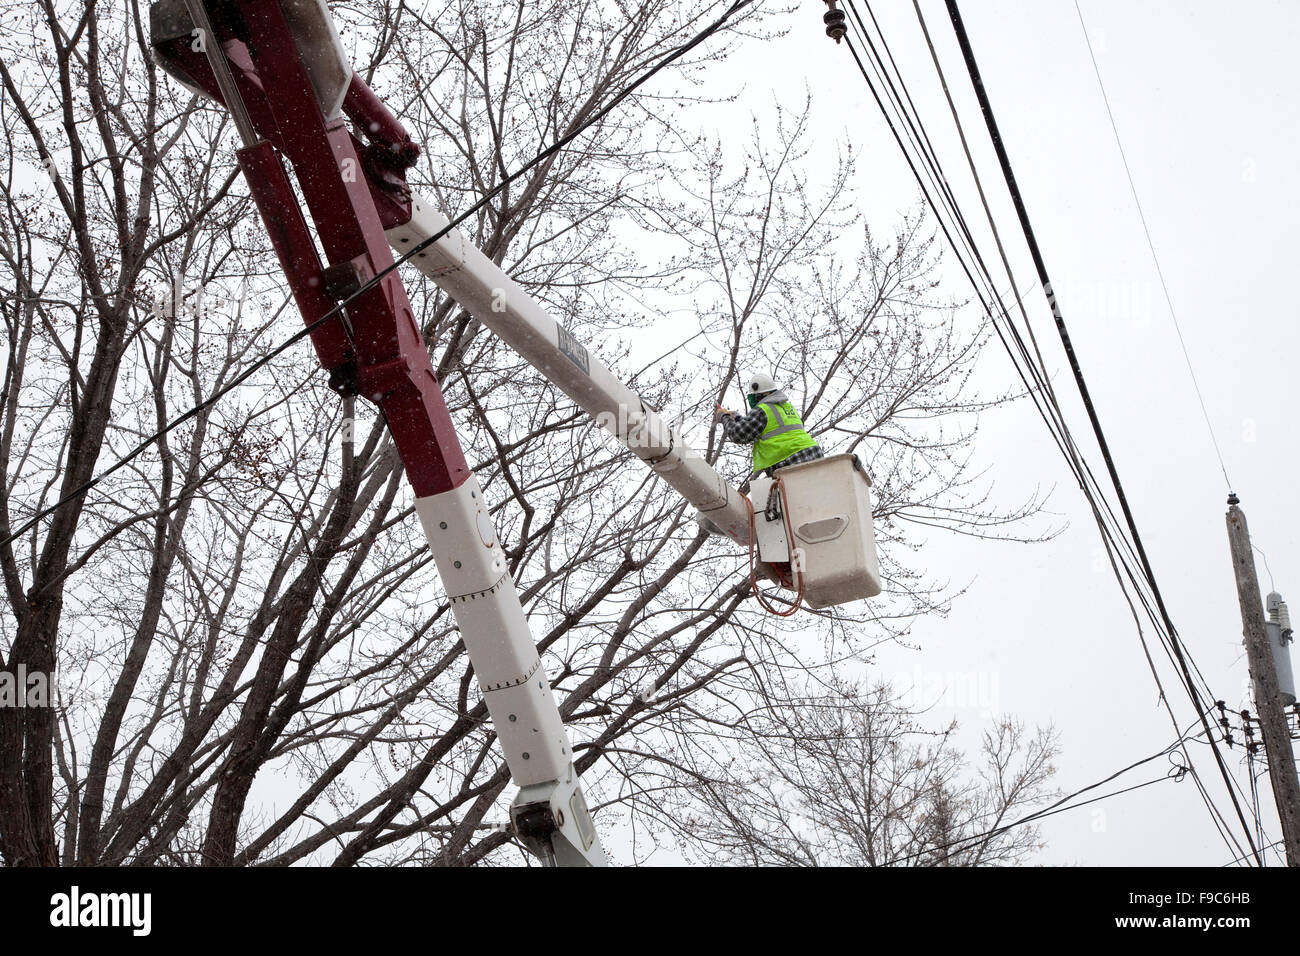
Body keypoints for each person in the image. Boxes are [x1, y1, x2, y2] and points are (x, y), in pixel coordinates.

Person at [716, 373, 823, 479]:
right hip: (813, 453)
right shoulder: (786, 407)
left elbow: (737, 434)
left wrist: (724, 417)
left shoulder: (762, 410)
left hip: (791, 459)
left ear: (758, 395)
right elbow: (766, 426)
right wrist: (737, 418)